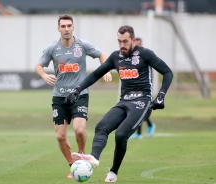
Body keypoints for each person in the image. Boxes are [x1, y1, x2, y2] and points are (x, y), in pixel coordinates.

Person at [65, 25, 173, 182]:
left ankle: (113, 172)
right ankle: (93, 158)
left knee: (121, 134)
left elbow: (168, 72)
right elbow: (96, 74)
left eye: (125, 41)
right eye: (119, 41)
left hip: (142, 101)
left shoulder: (145, 54)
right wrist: (77, 90)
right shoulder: (116, 57)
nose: (122, 45)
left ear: (133, 40)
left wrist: (161, 95)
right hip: (124, 101)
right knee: (101, 127)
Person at [34, 14, 112, 179]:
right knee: (60, 136)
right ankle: (73, 165)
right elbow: (39, 65)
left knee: (79, 130)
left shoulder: (82, 45)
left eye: (69, 26)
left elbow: (101, 54)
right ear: (58, 29)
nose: (66, 29)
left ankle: (82, 155)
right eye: (63, 26)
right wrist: (44, 76)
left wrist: (105, 70)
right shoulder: (52, 48)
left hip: (79, 94)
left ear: (73, 27)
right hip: (59, 98)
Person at [130, 37, 156, 139]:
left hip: (144, 88)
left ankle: (143, 130)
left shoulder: (145, 55)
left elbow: (149, 72)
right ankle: (142, 131)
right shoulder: (132, 56)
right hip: (135, 87)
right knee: (137, 109)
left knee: (140, 109)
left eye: (139, 43)